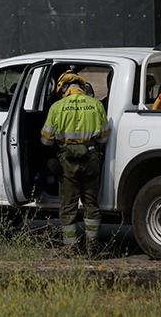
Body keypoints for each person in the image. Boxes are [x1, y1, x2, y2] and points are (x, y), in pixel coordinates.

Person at [40, 71, 110, 255]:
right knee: (91, 204)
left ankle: (71, 248)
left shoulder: (56, 107)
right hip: (91, 158)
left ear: (63, 88)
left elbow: (46, 140)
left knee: (69, 206)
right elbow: (104, 137)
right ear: (82, 87)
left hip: (67, 162)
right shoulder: (96, 105)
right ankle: (93, 247)